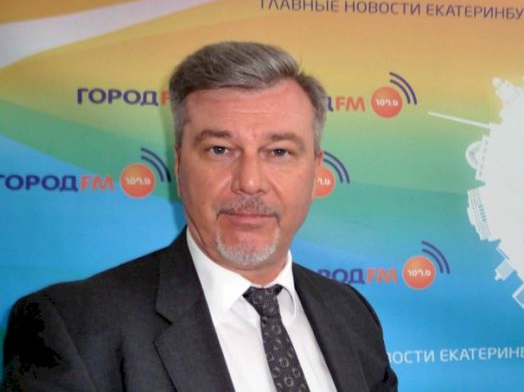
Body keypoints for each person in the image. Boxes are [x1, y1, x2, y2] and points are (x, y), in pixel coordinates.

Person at [2, 41, 398, 391]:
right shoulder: (74, 330)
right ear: (178, 165)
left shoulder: (352, 314)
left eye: (279, 152)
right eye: (219, 150)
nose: (250, 182)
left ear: (315, 171)